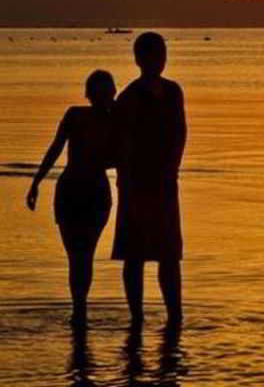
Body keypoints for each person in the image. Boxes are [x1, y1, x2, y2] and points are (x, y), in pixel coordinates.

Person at [26, 70, 116, 326]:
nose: (102, 98)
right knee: (77, 256)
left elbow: (121, 157)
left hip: (95, 193)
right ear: (89, 95)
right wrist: (36, 181)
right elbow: (56, 147)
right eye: (98, 93)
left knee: (83, 255)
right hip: (71, 192)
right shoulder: (75, 115)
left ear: (112, 94)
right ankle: (79, 309)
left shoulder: (116, 120)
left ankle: (79, 310)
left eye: (107, 93)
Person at [112, 32, 186, 328]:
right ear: (140, 59)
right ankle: (137, 317)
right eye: (156, 54)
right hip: (135, 183)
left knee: (170, 253)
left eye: (163, 53)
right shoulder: (128, 97)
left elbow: (180, 132)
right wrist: (125, 179)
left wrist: (173, 168)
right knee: (135, 253)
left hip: (165, 181)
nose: (161, 59)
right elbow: (122, 143)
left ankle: (175, 315)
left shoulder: (172, 91)